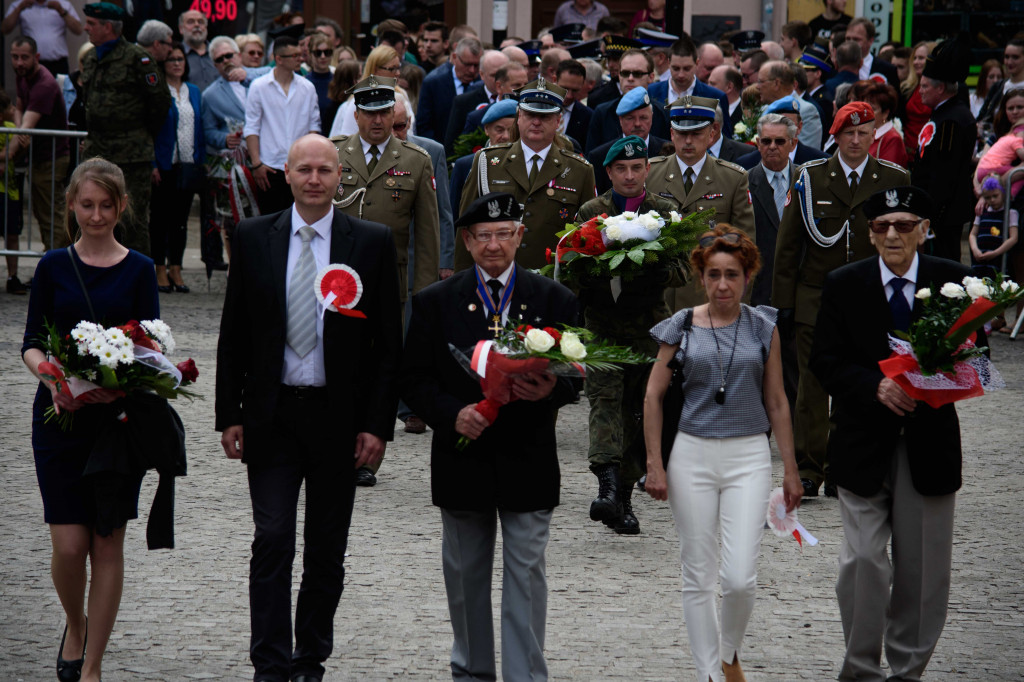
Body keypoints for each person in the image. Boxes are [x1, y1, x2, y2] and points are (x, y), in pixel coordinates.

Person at [216, 134, 402, 682]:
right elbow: (235, 334)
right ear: (288, 175)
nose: (315, 179)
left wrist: (377, 426)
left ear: (340, 175)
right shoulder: (253, 238)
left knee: (326, 547)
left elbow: (388, 344)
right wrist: (230, 413)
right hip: (271, 415)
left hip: (337, 420)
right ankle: (269, 661)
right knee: (272, 538)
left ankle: (309, 657)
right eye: (304, 170)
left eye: (325, 170)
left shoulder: (368, 241)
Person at [401, 191, 579, 682]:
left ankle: (525, 677)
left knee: (525, 575)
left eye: (504, 234)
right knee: (465, 576)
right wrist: (452, 413)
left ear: (521, 236)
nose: (494, 244)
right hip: (464, 457)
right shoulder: (435, 302)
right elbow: (412, 378)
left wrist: (550, 388)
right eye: (484, 235)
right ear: (467, 240)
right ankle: (472, 673)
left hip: (529, 456)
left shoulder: (554, 299)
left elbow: (577, 373)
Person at [810, 186, 983, 682]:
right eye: (883, 226)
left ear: (924, 231)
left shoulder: (955, 281)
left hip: (929, 444)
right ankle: (861, 669)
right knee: (863, 561)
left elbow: (979, 356)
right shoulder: (844, 283)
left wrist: (946, 378)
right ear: (869, 234)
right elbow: (824, 359)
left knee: (924, 572)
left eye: (904, 225)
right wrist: (875, 386)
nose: (892, 234)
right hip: (862, 441)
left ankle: (907, 671)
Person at [21, 158, 160, 682]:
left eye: (106, 205)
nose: (96, 215)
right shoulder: (54, 266)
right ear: (71, 206)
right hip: (59, 421)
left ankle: (93, 665)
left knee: (106, 540)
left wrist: (118, 384)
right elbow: (31, 342)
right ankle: (73, 624)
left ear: (121, 206)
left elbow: (151, 346)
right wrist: (55, 380)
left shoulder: (141, 268)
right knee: (70, 545)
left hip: (117, 425)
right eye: (87, 205)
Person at [644, 224, 801, 682]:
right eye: (713, 274)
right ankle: (710, 675)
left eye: (732, 274)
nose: (723, 285)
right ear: (701, 276)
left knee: (738, 578)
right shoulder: (680, 325)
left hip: (748, 455)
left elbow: (776, 401)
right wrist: (655, 463)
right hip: (690, 454)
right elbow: (653, 396)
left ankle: (729, 652)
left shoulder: (763, 326)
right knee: (698, 572)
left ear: (747, 275)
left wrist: (791, 470)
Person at [772, 101, 910, 498]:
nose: (855, 140)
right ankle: (810, 466)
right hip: (816, 297)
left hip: (870, 300)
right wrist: (784, 302)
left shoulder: (893, 177)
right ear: (835, 136)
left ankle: (843, 466)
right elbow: (788, 245)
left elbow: (904, 244)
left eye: (863, 133)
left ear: (873, 135)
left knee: (860, 385)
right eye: (847, 133)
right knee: (812, 389)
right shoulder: (809, 176)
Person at [331, 77, 441, 477]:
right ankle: (338, 443)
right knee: (340, 364)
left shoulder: (414, 160)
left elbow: (427, 233)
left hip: (388, 284)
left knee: (381, 368)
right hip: (335, 281)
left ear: (394, 115)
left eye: (384, 112)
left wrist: (425, 293)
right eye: (369, 112)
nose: (377, 120)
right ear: (356, 115)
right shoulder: (334, 154)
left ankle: (368, 454)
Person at [576, 136, 679, 534]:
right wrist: (596, 275)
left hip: (651, 327)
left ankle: (623, 496)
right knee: (604, 399)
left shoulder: (664, 211)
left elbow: (685, 268)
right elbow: (573, 261)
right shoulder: (592, 212)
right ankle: (605, 482)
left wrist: (655, 270)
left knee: (641, 409)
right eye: (622, 169)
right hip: (603, 323)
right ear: (610, 172)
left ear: (647, 170)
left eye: (637, 168)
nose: (630, 176)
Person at [455, 78, 597, 271]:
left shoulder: (580, 170)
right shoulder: (488, 162)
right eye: (530, 115)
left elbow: (587, 236)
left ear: (558, 121)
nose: (536, 122)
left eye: (545, 116)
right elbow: (467, 226)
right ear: (519, 116)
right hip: (495, 275)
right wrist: (464, 281)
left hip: (552, 284)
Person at [79, 1, 172, 257]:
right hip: (98, 152)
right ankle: (93, 271)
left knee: (132, 219)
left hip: (132, 155)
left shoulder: (136, 58)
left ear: (108, 27)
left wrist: (139, 132)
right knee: (90, 215)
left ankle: (136, 281)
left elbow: (160, 102)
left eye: (92, 24)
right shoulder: (89, 58)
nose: (86, 28)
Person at [646, 94, 754, 311]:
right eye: (682, 133)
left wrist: (736, 306)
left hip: (709, 299)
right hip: (658, 299)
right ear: (671, 134)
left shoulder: (733, 179)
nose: (688, 141)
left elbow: (746, 250)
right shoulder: (649, 173)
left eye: (696, 134)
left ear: (712, 133)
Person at [913, 37, 976, 263]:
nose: (920, 91)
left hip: (942, 216)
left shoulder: (952, 120)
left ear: (940, 88)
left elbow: (944, 175)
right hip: (936, 212)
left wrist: (930, 216)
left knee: (942, 267)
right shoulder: (943, 113)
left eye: (925, 86)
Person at [244, 36, 321, 215]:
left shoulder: (307, 87)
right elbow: (252, 127)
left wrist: (310, 163)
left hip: (299, 166)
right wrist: (256, 164)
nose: (299, 59)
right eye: (294, 55)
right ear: (278, 59)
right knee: (270, 222)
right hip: (269, 167)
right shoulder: (259, 86)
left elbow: (314, 127)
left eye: (300, 54)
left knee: (300, 219)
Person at [151, 42, 204, 294]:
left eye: (180, 59)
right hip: (165, 163)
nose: (176, 63)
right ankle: (159, 268)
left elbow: (199, 127)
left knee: (180, 221)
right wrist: (152, 163)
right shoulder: (159, 90)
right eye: (171, 59)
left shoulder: (193, 90)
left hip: (188, 163)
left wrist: (199, 159)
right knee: (160, 219)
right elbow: (151, 128)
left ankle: (176, 267)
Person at [10, 35, 71, 254]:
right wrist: (20, 131)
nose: (19, 63)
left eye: (24, 57)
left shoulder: (44, 83)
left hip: (52, 158)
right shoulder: (23, 75)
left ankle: (58, 267)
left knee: (52, 216)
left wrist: (7, 152)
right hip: (38, 157)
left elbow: (28, 124)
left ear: (36, 57)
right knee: (42, 214)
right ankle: (51, 266)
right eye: (14, 57)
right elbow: (19, 108)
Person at [646, 35, 733, 139]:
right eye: (676, 68)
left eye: (687, 69)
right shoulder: (651, 91)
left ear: (697, 63)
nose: (681, 74)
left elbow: (725, 139)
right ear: (668, 63)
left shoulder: (715, 96)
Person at [586, 87, 669, 193]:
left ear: (651, 117)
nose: (637, 123)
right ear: (620, 120)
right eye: (630, 118)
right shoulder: (599, 157)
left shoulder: (668, 152)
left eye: (643, 118)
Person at [449, 98, 517, 214]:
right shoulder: (466, 165)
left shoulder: (527, 162)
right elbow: (455, 212)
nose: (506, 136)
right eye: (499, 130)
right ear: (486, 129)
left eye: (511, 131)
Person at [734, 96, 829, 170]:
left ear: (799, 127)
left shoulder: (819, 162)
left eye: (788, 124)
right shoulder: (746, 164)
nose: (772, 146)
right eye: (775, 124)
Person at [443, 50, 510, 154]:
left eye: (504, 76)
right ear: (482, 75)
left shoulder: (518, 102)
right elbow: (453, 145)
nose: (499, 81)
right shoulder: (464, 102)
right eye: (494, 75)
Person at [417, 36, 483, 142]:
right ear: (455, 57)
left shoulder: (482, 83)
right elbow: (424, 125)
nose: (472, 70)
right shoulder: (434, 82)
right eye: (467, 64)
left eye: (476, 65)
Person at [329, 45, 403, 137]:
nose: (398, 73)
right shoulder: (357, 101)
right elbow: (347, 140)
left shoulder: (402, 95)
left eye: (399, 68)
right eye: (392, 69)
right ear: (376, 69)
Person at [2, 0, 82, 76]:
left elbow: (78, 30)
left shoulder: (62, 4)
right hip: (31, 63)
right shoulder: (21, 4)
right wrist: (19, 9)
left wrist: (61, 11)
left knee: (60, 89)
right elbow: (4, 29)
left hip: (58, 63)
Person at [756, 59, 823, 149]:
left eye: (761, 81)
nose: (757, 86)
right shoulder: (764, 109)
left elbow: (808, 154)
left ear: (776, 83)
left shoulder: (806, 111)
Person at [976, 88, 1024, 199]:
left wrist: (992, 188)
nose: (1015, 111)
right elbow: (982, 164)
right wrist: (985, 191)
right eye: (1010, 108)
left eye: (1020, 107)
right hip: (993, 197)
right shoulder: (997, 135)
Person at [970, 175, 1019, 282]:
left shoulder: (1010, 213)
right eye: (987, 197)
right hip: (980, 259)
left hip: (997, 260)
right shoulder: (982, 212)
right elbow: (973, 234)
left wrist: (995, 253)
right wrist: (975, 249)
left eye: (995, 196)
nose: (992, 200)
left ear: (1003, 192)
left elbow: (1014, 238)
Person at [861, 81, 910, 168]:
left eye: (873, 109)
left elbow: (887, 177)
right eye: (865, 107)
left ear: (885, 113)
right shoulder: (865, 131)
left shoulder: (893, 140)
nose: (866, 112)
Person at [898, 41, 933, 160]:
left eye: (921, 58)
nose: (917, 62)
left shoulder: (938, 91)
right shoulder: (906, 89)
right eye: (915, 58)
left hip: (929, 152)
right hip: (907, 152)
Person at [845, 18, 899, 89]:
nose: (850, 43)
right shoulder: (837, 65)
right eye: (848, 39)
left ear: (870, 41)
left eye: (856, 39)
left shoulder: (887, 69)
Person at [178, 10, 217, 93]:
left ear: (206, 27)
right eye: (190, 22)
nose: (196, 25)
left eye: (201, 22)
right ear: (181, 29)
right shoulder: (175, 55)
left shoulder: (218, 52)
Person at [305, 33, 335, 136]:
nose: (323, 57)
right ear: (310, 54)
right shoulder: (304, 84)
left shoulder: (338, 82)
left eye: (327, 52)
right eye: (318, 53)